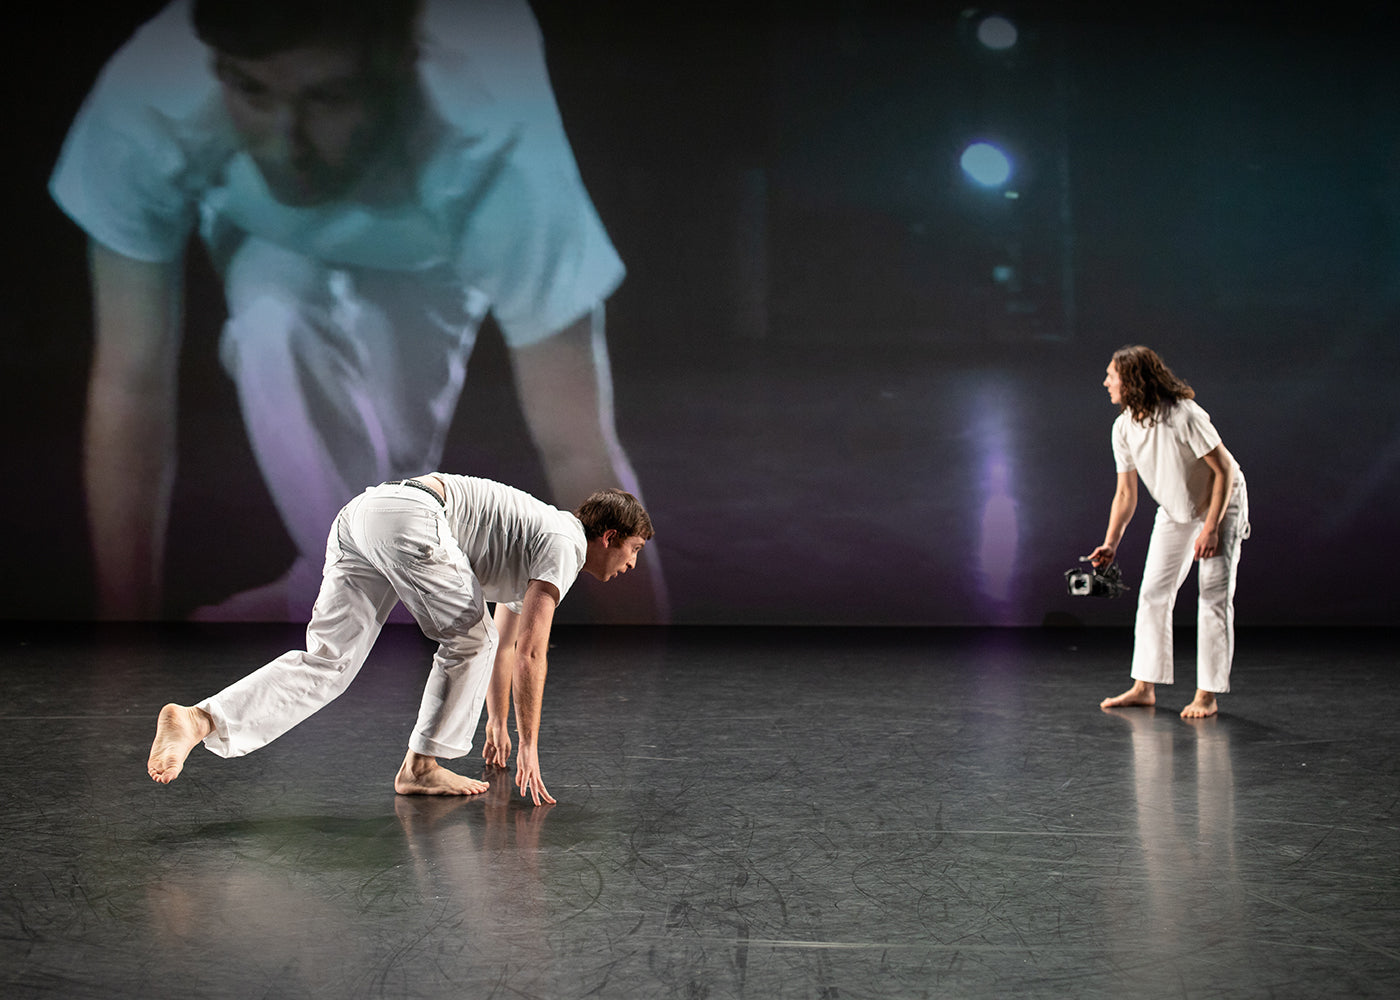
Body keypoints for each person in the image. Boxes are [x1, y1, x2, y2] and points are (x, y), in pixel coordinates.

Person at [50, 0, 666, 623]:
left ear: (400, 65)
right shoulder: (148, 101)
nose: (285, 143)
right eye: (252, 90)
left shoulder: (494, 135)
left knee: (388, 529)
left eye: (329, 97)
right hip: (268, 250)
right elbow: (132, 381)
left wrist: (648, 695)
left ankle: (317, 610)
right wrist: (122, 657)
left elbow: (577, 448)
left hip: (428, 262)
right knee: (276, 314)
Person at [147, 476, 653, 804]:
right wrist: (530, 746)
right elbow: (531, 652)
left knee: (329, 662)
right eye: (632, 550)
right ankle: (422, 765)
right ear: (607, 537)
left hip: (364, 516)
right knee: (467, 638)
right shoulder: (565, 544)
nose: (631, 565)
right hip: (412, 515)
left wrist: (498, 722)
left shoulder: (539, 544)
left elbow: (506, 642)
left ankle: (198, 718)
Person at [1088, 346, 1250, 719]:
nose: (1106, 382)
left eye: (1111, 375)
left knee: (1212, 596)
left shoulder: (1183, 415)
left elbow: (1224, 470)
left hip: (1220, 504)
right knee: (1153, 593)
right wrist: (1111, 543)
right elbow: (1126, 493)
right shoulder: (1124, 427)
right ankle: (1144, 687)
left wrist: (1211, 528)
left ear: (1131, 380)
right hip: (1176, 509)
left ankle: (1207, 695)